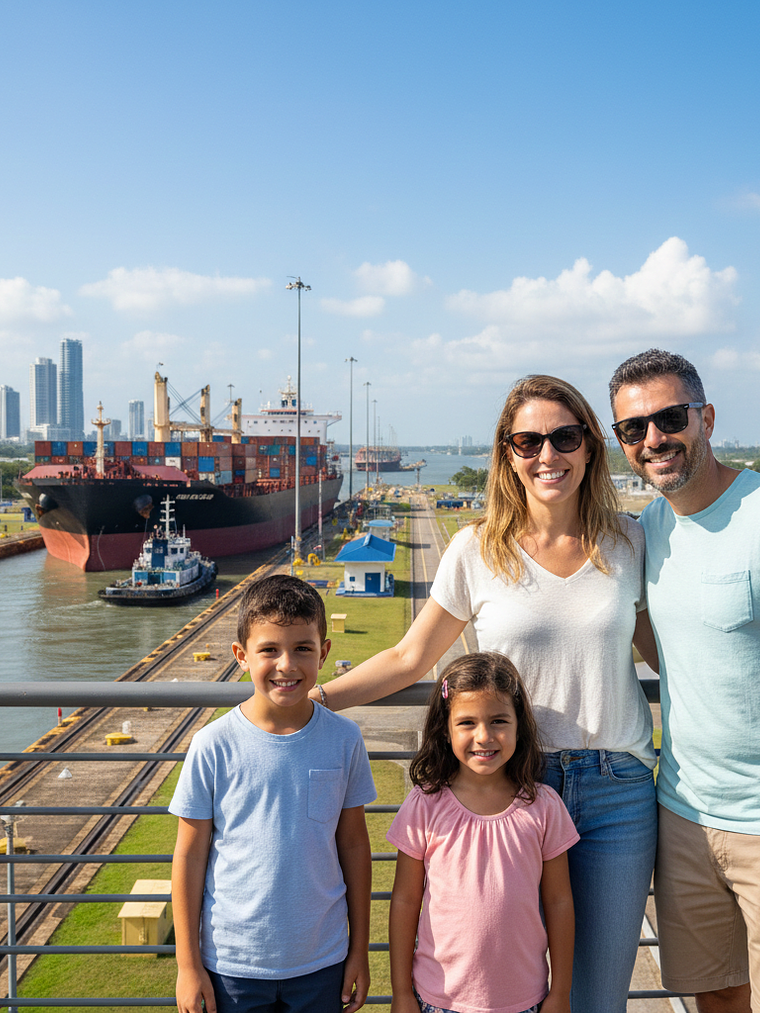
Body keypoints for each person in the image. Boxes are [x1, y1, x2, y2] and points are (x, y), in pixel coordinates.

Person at [313, 374, 659, 1013]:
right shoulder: (476, 549)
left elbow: (664, 653)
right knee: (498, 981)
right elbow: (409, 656)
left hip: (618, 791)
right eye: (527, 442)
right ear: (507, 454)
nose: (546, 455)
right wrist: (315, 702)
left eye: (564, 437)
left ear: (589, 447)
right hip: (509, 791)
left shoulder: (629, 540)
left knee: (596, 997)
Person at [609, 349, 760, 1013]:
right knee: (716, 996)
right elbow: (653, 637)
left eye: (669, 418)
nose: (653, 439)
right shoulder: (651, 529)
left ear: (707, 418)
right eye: (633, 429)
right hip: (686, 816)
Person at [170, 574, 377, 1013]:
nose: (287, 665)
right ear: (241, 656)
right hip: (232, 965)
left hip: (322, 962)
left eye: (303, 648)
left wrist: (360, 950)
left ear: (324, 652)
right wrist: (188, 966)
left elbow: (355, 845)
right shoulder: (213, 745)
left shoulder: (344, 739)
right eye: (269, 650)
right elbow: (188, 856)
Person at [387, 652, 578, 1013]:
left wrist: (561, 992)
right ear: (445, 729)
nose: (484, 736)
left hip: (525, 1001)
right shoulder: (424, 804)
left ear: (519, 725)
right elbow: (406, 901)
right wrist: (401, 993)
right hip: (438, 1001)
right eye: (467, 723)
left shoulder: (544, 806)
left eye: (498, 720)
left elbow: (559, 902)